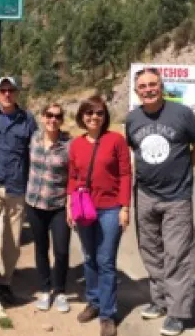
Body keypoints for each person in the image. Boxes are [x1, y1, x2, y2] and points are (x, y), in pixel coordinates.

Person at [125, 68, 195, 336]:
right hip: (145, 194)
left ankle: (178, 313)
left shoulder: (182, 114)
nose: (148, 89)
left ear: (162, 86)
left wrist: (185, 170)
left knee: (177, 254)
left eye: (153, 84)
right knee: (151, 251)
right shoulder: (132, 119)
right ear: (136, 91)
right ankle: (159, 300)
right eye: (143, 86)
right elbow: (134, 150)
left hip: (177, 197)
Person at [67, 95, 131, 336]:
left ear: (105, 117)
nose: (94, 117)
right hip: (84, 208)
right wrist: (69, 205)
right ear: (82, 116)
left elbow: (125, 174)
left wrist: (125, 207)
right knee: (89, 257)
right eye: (89, 113)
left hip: (110, 208)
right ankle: (93, 302)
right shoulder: (76, 144)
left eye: (99, 113)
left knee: (105, 261)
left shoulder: (116, 140)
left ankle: (107, 313)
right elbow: (72, 177)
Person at [0, 76, 38, 304]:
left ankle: (5, 283)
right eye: (2, 90)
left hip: (16, 186)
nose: (6, 94)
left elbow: (37, 147)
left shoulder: (27, 119)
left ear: (16, 94)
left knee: (12, 239)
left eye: (10, 90)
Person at [25, 103, 72, 313]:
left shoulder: (68, 145)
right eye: (49, 115)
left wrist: (71, 202)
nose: (53, 120)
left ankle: (60, 290)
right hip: (34, 203)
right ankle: (45, 289)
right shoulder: (33, 138)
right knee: (41, 248)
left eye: (57, 116)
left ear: (62, 120)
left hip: (59, 205)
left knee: (61, 250)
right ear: (43, 117)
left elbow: (74, 175)